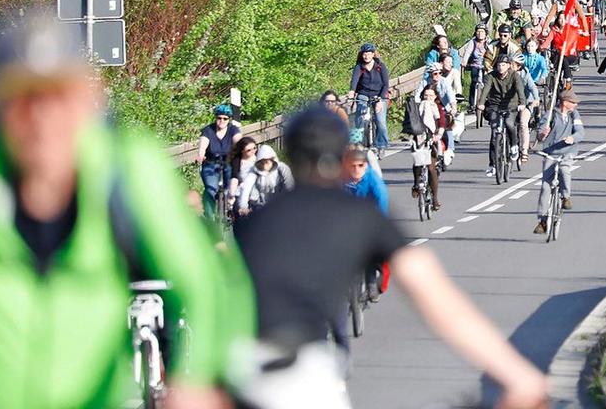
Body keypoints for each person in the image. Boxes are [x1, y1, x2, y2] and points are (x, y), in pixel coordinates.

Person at [0, 9, 246, 409]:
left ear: (87, 103)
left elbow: (204, 280)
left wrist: (198, 376)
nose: (43, 119)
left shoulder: (126, 169)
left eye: (60, 97)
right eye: (24, 99)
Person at [233, 106, 550, 409]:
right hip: (298, 370)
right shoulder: (357, 215)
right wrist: (516, 374)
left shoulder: (255, 222)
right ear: (345, 156)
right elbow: (435, 297)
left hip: (237, 368)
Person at [532, 89, 583, 235]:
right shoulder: (550, 116)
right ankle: (542, 220)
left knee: (564, 170)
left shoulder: (574, 115)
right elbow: (540, 135)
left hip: (568, 152)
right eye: (573, 102)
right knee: (545, 186)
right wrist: (543, 133)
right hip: (550, 153)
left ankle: (566, 196)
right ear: (564, 102)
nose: (575, 105)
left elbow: (580, 132)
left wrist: (573, 138)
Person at [479, 55, 529, 174]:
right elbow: (485, 90)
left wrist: (522, 103)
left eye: (503, 65)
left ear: (508, 66)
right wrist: (481, 103)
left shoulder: (514, 76)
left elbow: (520, 90)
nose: (501, 68)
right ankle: (492, 165)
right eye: (499, 65)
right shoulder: (490, 76)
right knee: (494, 133)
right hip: (495, 106)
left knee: (509, 123)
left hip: (511, 105)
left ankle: (514, 146)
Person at [198, 102, 242, 216]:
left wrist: (240, 151)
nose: (221, 121)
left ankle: (231, 211)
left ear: (229, 120)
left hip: (228, 163)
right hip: (210, 163)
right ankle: (209, 217)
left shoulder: (233, 130)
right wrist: (201, 154)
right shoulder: (208, 130)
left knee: (231, 188)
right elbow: (203, 144)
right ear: (215, 118)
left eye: (225, 118)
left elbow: (238, 142)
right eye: (219, 118)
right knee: (211, 189)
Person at [348, 43, 392, 153]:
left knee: (380, 120)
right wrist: (352, 92)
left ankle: (381, 144)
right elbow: (354, 81)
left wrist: (381, 100)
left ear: (373, 54)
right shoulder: (359, 67)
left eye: (368, 53)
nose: (366, 56)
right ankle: (358, 142)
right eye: (364, 54)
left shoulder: (380, 67)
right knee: (360, 117)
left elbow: (386, 85)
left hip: (379, 95)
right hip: (363, 94)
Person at [237, 144, 295, 216]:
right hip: (261, 208)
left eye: (266, 162)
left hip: (281, 206)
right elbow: (246, 187)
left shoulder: (282, 168)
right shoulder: (254, 172)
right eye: (261, 163)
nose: (264, 165)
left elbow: (290, 185)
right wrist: (243, 206)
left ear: (272, 160)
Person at [410, 85, 443, 210]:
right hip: (419, 138)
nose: (428, 98)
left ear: (435, 97)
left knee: (431, 168)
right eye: (425, 96)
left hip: (433, 138)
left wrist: (438, 134)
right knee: (417, 161)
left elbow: (442, 122)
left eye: (430, 96)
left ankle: (435, 199)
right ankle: (416, 184)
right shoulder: (417, 108)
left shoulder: (438, 108)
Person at [459, 25, 489, 112]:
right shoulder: (473, 42)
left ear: (486, 33)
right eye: (478, 31)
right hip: (475, 65)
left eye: (482, 32)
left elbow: (492, 52)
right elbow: (468, 52)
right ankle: (471, 104)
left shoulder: (488, 42)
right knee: (474, 82)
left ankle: (487, 102)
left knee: (487, 83)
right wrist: (464, 61)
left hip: (486, 65)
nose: (480, 34)